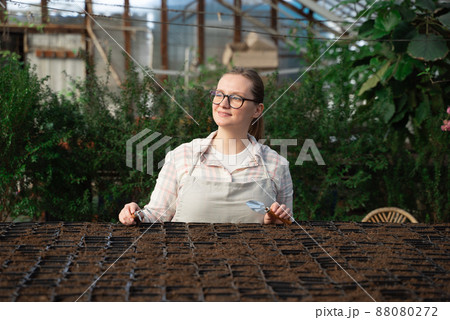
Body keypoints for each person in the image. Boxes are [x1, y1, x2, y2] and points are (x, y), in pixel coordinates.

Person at [119, 67, 293, 225]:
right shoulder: (181, 157)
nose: (223, 104)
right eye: (219, 94)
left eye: (236, 98)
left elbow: (287, 227)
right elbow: (155, 215)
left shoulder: (276, 165)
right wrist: (136, 214)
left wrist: (276, 222)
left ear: (257, 110)